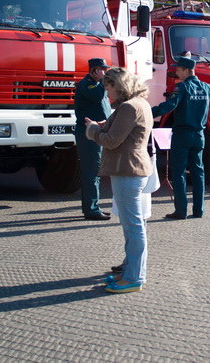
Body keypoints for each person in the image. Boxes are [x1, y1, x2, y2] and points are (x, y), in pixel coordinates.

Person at [84, 67, 153, 293]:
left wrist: (93, 130)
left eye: (108, 86)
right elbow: (125, 133)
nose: (107, 92)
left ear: (118, 85)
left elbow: (112, 141)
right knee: (133, 224)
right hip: (132, 169)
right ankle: (130, 271)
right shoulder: (139, 103)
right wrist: (105, 125)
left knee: (132, 225)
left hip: (127, 170)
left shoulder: (128, 107)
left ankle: (133, 277)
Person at [151, 57, 210, 219]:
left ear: (186, 70)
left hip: (182, 135)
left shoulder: (182, 88)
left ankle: (181, 211)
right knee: (198, 172)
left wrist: (148, 112)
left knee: (178, 173)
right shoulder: (205, 87)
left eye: (178, 69)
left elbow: (170, 105)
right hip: (199, 135)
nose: (176, 72)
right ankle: (199, 210)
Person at [74, 58, 112, 221]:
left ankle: (93, 205)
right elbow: (97, 98)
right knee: (92, 171)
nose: (104, 73)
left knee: (96, 170)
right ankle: (91, 209)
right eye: (102, 70)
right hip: (88, 133)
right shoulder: (87, 84)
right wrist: (102, 82)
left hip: (97, 131)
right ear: (94, 70)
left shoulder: (97, 85)